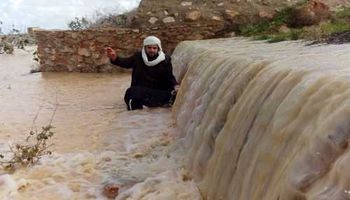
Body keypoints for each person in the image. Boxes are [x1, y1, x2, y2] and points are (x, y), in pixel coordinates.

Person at [105, 36, 178, 111]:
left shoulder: (165, 60)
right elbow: (125, 63)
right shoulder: (138, 57)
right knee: (131, 93)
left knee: (171, 96)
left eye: (154, 48)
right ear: (145, 48)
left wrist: (175, 86)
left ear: (158, 48)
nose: (152, 50)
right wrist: (114, 58)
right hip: (140, 91)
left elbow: (169, 77)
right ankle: (136, 116)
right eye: (149, 48)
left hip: (156, 92)